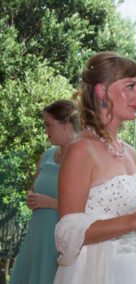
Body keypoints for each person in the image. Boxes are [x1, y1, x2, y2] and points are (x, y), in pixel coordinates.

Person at [53, 51, 136, 284]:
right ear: (102, 90)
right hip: (94, 271)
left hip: (132, 268)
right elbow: (67, 234)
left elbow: (134, 225)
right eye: (131, 86)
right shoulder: (80, 150)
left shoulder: (131, 154)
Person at [9, 100, 79, 284]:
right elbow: (34, 187)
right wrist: (31, 197)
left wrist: (49, 203)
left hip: (60, 241)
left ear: (66, 123)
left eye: (49, 125)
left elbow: (90, 206)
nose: (45, 131)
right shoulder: (47, 154)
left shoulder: (83, 158)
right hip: (36, 236)